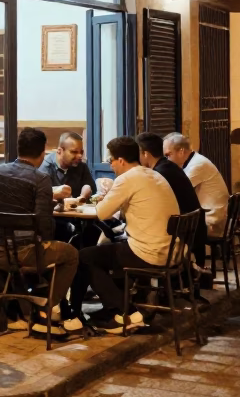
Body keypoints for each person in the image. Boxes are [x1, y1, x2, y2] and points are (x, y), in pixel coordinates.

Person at [0, 127, 84, 337]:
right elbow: (44, 224)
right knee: (71, 254)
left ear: (18, 149)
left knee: (29, 255)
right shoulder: (40, 179)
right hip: (26, 253)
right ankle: (45, 311)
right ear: (42, 153)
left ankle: (18, 316)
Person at [74, 136, 179, 333]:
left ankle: (123, 312)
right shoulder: (153, 174)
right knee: (105, 250)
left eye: (111, 161)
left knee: (85, 257)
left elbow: (101, 212)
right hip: (171, 250)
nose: (110, 166)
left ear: (120, 160)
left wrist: (104, 197)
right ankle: (114, 309)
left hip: (149, 252)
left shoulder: (127, 179)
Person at [136, 131, 206, 269]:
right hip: (193, 230)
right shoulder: (169, 166)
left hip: (182, 236)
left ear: (145, 154)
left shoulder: (159, 174)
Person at [40, 131, 99, 247]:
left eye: (81, 152)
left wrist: (85, 193)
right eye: (74, 152)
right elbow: (42, 195)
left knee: (96, 231)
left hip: (79, 216)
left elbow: (90, 186)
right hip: (55, 219)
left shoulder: (80, 165)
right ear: (60, 151)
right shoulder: (45, 167)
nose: (80, 156)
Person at [163, 133, 228, 236]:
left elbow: (177, 192)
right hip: (213, 214)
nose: (167, 160)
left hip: (213, 220)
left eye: (168, 155)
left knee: (167, 226)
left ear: (181, 151)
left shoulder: (197, 165)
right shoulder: (195, 161)